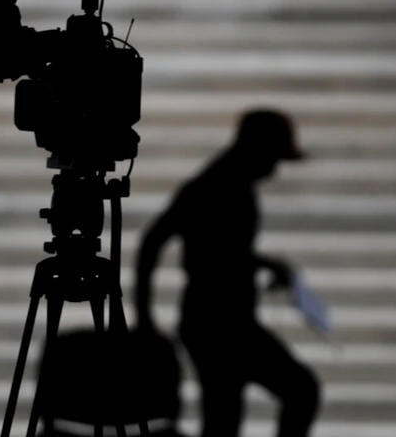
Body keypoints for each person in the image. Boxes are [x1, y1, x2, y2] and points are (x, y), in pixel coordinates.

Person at [135, 109, 320, 437]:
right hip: (217, 323)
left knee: (225, 419)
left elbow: (218, 250)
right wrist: (144, 316)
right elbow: (158, 243)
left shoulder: (225, 182)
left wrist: (260, 263)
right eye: (274, 157)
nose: (275, 169)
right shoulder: (214, 186)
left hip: (221, 321)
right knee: (298, 391)